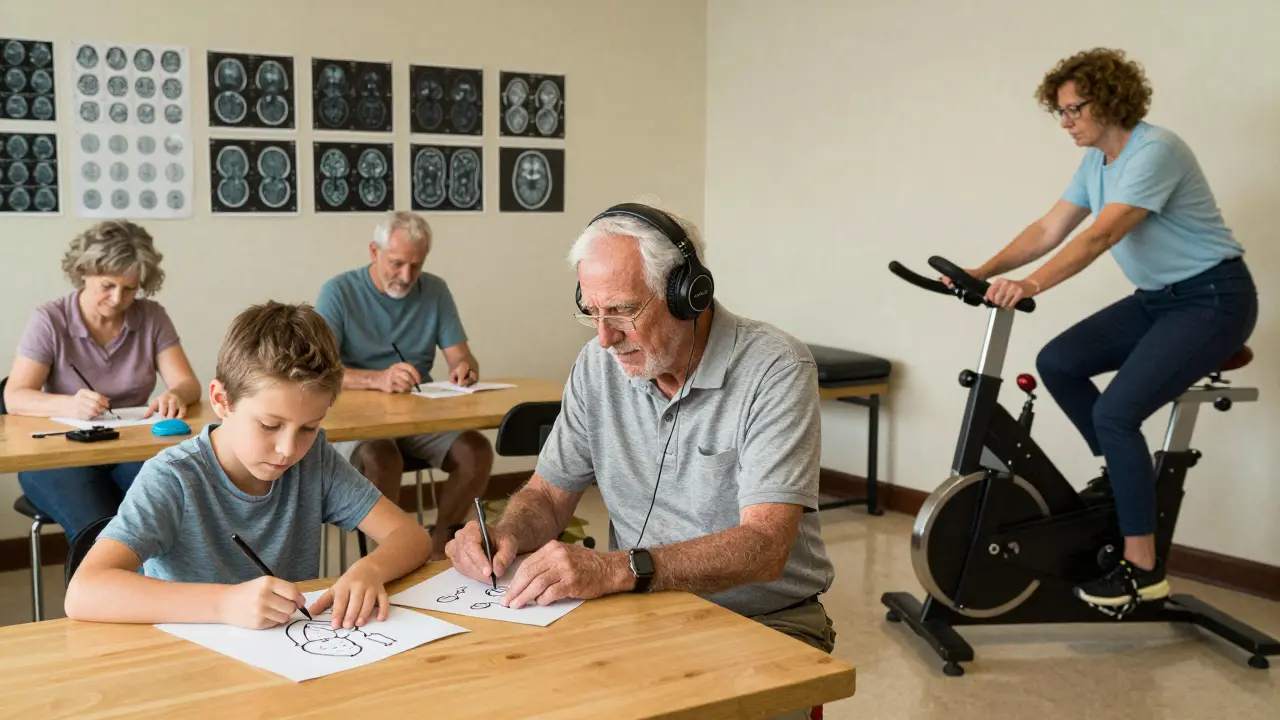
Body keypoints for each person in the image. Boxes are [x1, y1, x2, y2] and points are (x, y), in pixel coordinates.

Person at [446, 203, 837, 691]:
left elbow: (765, 547)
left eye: (623, 311)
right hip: (640, 605)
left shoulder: (775, 368)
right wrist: (506, 533)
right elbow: (548, 496)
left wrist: (618, 568)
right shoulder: (596, 365)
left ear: (686, 294)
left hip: (766, 620)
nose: (606, 338)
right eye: (592, 313)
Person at [947, 48, 1258, 611]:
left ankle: (1143, 569)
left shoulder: (1155, 151)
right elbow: (1050, 228)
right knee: (1059, 361)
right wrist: (984, 270)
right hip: (1159, 301)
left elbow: (1101, 236)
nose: (1066, 122)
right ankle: (1121, 478)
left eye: (1074, 110)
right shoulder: (1098, 162)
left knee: (1116, 413)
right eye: (1060, 112)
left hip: (1214, 300)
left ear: (1110, 101)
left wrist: (1031, 287)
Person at [64, 301, 431, 629]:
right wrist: (224, 604)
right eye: (269, 425)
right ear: (222, 401)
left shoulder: (314, 459)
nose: (288, 449)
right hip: (190, 667)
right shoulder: (174, 477)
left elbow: (412, 537)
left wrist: (368, 569)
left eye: (308, 427)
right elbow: (84, 591)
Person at [4, 221, 201, 542]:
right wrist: (68, 404)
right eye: (107, 285)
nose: (117, 298)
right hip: (58, 455)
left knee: (170, 510)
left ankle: (160, 591)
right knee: (101, 528)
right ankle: (107, 591)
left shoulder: (151, 316)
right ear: (83, 272)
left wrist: (176, 394)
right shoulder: (50, 320)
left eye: (129, 289)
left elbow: (189, 384)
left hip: (129, 449)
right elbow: (15, 397)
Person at [316, 211, 494, 559]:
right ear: (373, 252)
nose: (407, 276)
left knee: (476, 452)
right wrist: (377, 379)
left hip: (418, 409)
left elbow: (462, 356)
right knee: (383, 457)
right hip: (356, 418)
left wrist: (464, 369)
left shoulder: (436, 290)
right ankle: (389, 556)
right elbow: (319, 370)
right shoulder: (338, 292)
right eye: (397, 264)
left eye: (416, 265)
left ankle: (440, 546)